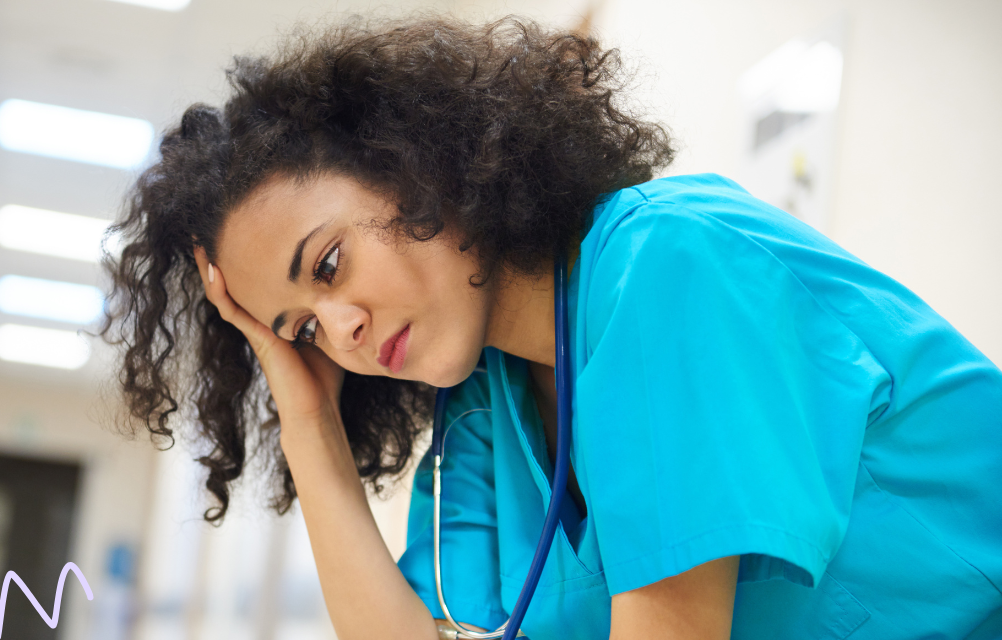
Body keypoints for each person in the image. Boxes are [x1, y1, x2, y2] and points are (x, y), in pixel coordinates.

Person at [103, 15, 1002, 640]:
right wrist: (308, 426)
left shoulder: (668, 265)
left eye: (329, 265)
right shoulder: (485, 410)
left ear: (413, 164)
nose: (339, 332)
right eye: (300, 329)